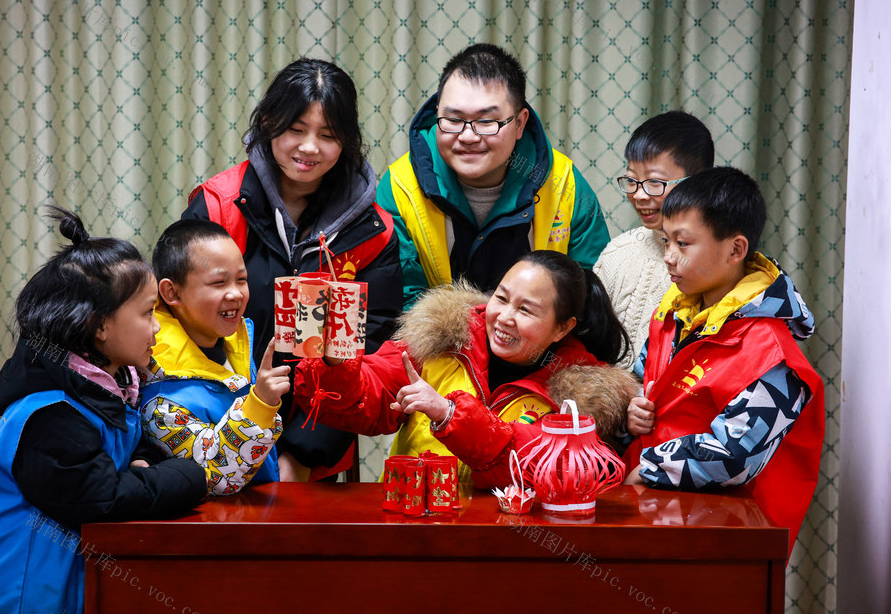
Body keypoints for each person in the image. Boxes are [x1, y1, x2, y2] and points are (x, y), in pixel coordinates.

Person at [0, 208, 206, 613]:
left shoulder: (109, 387)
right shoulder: (52, 413)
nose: (157, 328)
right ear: (99, 327)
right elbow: (100, 498)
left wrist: (141, 465)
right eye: (148, 312)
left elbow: (130, 449)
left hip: (54, 584)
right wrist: (188, 474)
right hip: (9, 593)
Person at [183, 58, 402, 481]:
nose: (309, 148)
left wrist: (301, 456)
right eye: (296, 130)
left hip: (317, 453)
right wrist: (237, 437)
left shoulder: (372, 232)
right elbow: (178, 322)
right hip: (213, 433)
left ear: (347, 140)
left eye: (328, 135)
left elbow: (374, 348)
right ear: (268, 122)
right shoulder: (219, 206)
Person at [293, 251, 638, 488]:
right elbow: (364, 399)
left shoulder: (580, 400)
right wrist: (334, 364)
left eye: (526, 310)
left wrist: (448, 414)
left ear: (563, 328)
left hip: (505, 546)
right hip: (408, 524)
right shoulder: (443, 343)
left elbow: (539, 466)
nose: (504, 317)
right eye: (501, 299)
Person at [622, 167, 825, 558]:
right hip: (654, 516)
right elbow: (639, 383)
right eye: (665, 241)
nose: (668, 257)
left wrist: (647, 468)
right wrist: (634, 411)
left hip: (728, 538)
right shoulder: (672, 316)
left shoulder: (772, 352)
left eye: (683, 244)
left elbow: (736, 456)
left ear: (735, 249)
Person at [377, 43, 610, 310]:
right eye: (453, 119)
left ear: (520, 123)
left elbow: (588, 298)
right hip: (436, 347)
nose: (467, 137)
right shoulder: (400, 186)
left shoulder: (564, 185)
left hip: (541, 347)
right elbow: (398, 299)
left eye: (487, 122)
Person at [138, 219, 291, 495]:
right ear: (171, 292)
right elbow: (216, 477)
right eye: (219, 282)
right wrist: (261, 404)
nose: (235, 293)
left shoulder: (235, 343)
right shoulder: (160, 396)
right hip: (208, 529)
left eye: (241, 279)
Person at [593, 111, 714, 367]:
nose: (639, 195)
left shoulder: (716, 267)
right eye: (632, 180)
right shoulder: (617, 254)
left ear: (697, 182)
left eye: (655, 183)